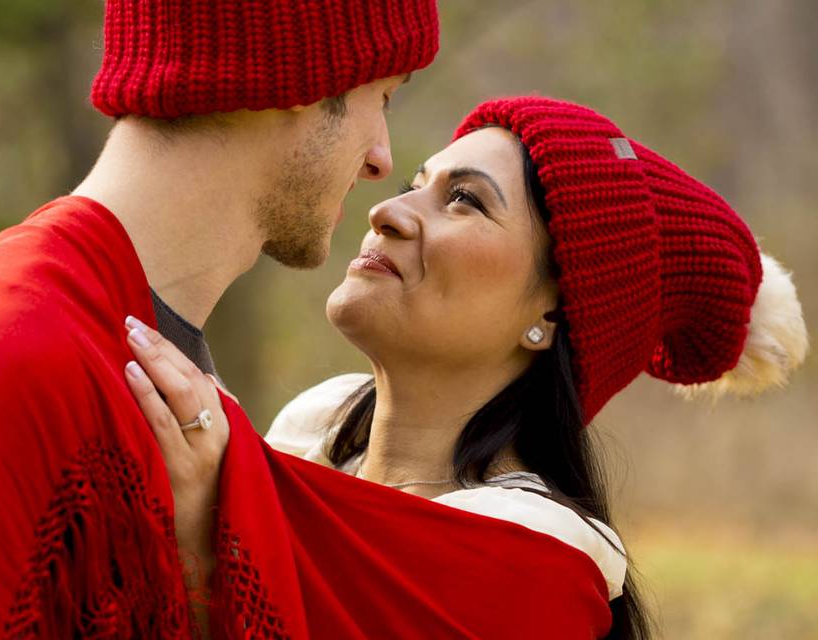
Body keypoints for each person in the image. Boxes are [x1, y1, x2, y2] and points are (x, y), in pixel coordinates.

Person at [122, 97, 808, 638]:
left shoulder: (528, 576)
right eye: (419, 184)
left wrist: (205, 552)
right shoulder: (296, 449)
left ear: (553, 312)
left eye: (465, 201)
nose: (387, 212)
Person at [0, 1, 439, 637]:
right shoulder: (8, 352)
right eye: (379, 94)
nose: (381, 158)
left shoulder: (157, 374)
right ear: (300, 78)